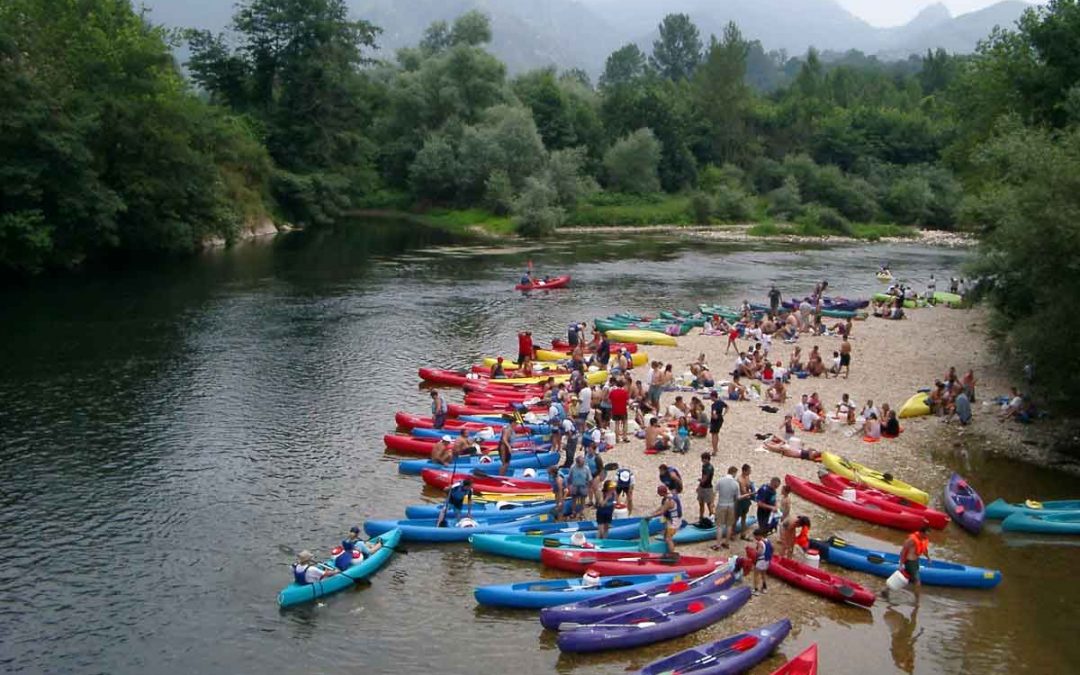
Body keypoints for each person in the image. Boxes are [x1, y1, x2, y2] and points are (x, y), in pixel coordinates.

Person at [892, 525, 932, 600]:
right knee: (917, 581)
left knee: (903, 577)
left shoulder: (924, 539)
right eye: (926, 534)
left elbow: (924, 549)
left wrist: (928, 558)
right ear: (921, 533)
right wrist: (901, 564)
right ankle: (917, 601)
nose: (927, 536)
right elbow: (903, 551)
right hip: (910, 562)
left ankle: (886, 590)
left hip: (916, 561)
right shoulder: (912, 539)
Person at [712, 466, 740, 549]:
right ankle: (726, 542)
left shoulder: (721, 480)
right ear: (734, 473)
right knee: (729, 525)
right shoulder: (735, 483)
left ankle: (718, 544)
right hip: (731, 505)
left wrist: (712, 503)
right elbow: (737, 497)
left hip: (721, 504)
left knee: (719, 525)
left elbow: (715, 492)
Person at [652, 485, 682, 555]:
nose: (658, 494)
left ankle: (672, 554)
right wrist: (654, 512)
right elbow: (662, 507)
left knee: (668, 538)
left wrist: (650, 516)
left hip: (674, 522)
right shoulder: (669, 496)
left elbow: (662, 511)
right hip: (671, 520)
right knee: (666, 535)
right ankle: (668, 550)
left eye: (658, 492)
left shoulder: (669, 501)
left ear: (662, 493)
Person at [567, 455, 593, 520]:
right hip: (574, 486)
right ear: (577, 462)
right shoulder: (573, 467)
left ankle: (581, 513)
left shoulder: (586, 468)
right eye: (581, 463)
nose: (582, 465)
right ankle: (573, 512)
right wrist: (569, 486)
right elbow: (569, 477)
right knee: (574, 500)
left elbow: (589, 478)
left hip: (583, 486)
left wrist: (589, 486)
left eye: (583, 463)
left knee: (583, 500)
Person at [751, 528, 773, 595]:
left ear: (758, 535)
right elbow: (772, 548)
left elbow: (759, 553)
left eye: (755, 536)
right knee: (763, 574)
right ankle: (764, 588)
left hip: (760, 561)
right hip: (766, 560)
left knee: (756, 575)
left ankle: (756, 590)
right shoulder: (767, 541)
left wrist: (753, 552)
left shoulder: (760, 543)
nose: (754, 538)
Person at [696, 452, 716, 526]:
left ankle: (712, 518)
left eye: (703, 459)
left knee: (709, 504)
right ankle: (701, 518)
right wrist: (699, 486)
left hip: (707, 488)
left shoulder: (708, 468)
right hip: (704, 487)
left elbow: (705, 479)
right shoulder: (705, 466)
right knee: (702, 504)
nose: (702, 461)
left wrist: (700, 481)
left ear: (707, 459)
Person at [608, 379, 630, 443]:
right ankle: (624, 437)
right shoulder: (624, 392)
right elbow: (627, 401)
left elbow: (609, 401)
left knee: (617, 424)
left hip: (615, 409)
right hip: (623, 409)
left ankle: (617, 438)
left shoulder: (612, 392)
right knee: (625, 423)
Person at [736, 464, 754, 539]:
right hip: (740, 500)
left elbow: (749, 484)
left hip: (746, 499)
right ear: (744, 471)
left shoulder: (747, 477)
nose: (750, 472)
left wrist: (752, 487)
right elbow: (743, 492)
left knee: (744, 516)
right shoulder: (739, 479)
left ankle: (743, 533)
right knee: (736, 517)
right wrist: (753, 493)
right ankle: (732, 533)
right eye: (749, 471)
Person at [709, 390, 728, 456]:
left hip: (715, 420)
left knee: (713, 435)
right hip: (720, 419)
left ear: (713, 397)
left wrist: (714, 416)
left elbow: (714, 412)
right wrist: (723, 414)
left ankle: (714, 450)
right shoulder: (721, 402)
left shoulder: (714, 405)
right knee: (716, 434)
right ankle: (716, 448)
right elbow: (727, 407)